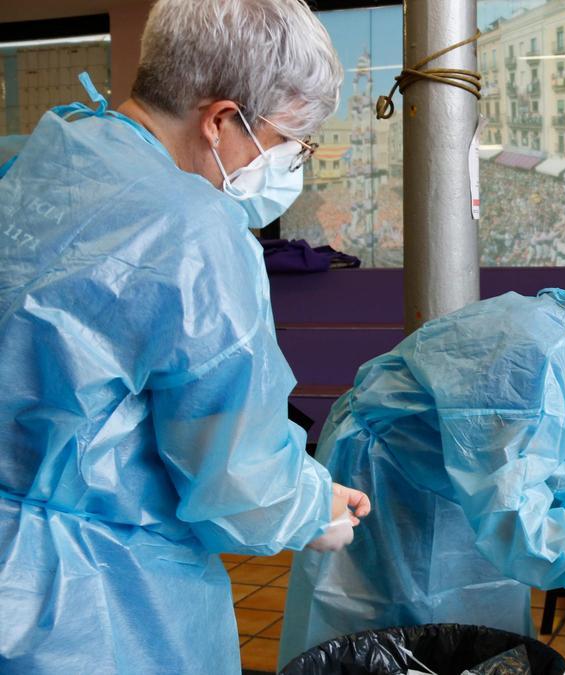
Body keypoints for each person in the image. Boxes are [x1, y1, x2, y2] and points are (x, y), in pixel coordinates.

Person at [0, 1, 372, 673]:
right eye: (291, 141)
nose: (293, 163)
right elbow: (235, 475)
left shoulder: (43, 159)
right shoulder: (193, 228)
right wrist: (314, 508)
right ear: (223, 120)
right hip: (92, 610)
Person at [279, 258, 565, 665]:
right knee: (381, 627)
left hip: (458, 480)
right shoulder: (526, 350)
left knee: (470, 619)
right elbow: (506, 505)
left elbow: (543, 460)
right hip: (383, 475)